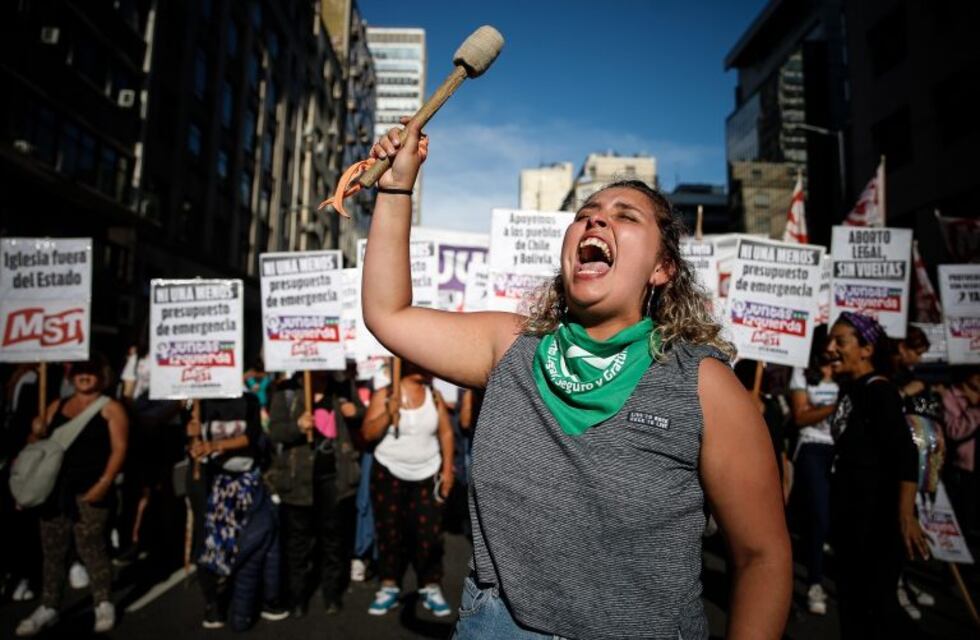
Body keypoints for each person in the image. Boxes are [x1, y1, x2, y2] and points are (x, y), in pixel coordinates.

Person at [355, 119, 791, 639]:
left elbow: (761, 557)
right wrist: (397, 186)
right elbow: (388, 314)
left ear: (662, 269)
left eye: (624, 216)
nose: (594, 223)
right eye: (584, 216)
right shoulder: (510, 348)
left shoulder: (705, 386)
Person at [824, 312, 927, 639]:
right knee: (852, 606)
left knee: (876, 609)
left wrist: (905, 515)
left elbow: (905, 454)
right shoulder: (851, 389)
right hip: (850, 517)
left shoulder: (878, 392)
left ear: (866, 349)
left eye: (840, 341)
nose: (830, 348)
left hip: (875, 523)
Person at [15, 355, 129, 636]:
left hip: (90, 491)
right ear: (71, 376)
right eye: (80, 371)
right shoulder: (57, 405)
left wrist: (104, 483)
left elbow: (119, 449)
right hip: (55, 492)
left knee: (92, 548)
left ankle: (103, 602)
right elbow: (37, 448)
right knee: (53, 552)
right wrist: (36, 432)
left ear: (101, 376)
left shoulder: (111, 408)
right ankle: (49, 605)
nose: (85, 376)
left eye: (91, 372)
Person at [360, 359, 455, 617]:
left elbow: (446, 433)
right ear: (410, 366)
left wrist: (447, 470)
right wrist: (386, 414)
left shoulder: (433, 396)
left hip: (427, 473)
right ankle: (389, 585)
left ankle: (430, 585)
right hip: (389, 472)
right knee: (389, 532)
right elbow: (367, 433)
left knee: (429, 535)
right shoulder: (385, 394)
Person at [267, 370, 363, 617]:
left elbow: (360, 415)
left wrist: (355, 412)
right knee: (298, 542)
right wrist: (297, 426)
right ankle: (298, 597)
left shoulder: (342, 387)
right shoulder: (286, 390)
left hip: (335, 479)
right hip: (297, 479)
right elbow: (274, 432)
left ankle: (332, 593)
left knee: (333, 539)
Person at [185, 394, 286, 631]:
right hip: (211, 481)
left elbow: (252, 436)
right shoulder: (199, 402)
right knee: (210, 542)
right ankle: (214, 603)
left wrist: (215, 445)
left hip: (246, 482)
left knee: (248, 543)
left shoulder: (249, 400)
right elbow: (191, 447)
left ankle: (247, 602)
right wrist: (193, 434)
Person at [788, 336, 837, 616]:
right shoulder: (803, 371)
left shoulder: (847, 370)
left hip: (841, 451)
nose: (833, 350)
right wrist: (836, 406)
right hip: (812, 449)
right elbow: (800, 417)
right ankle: (815, 582)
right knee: (819, 516)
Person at [940, 369, 980, 539]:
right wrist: (976, 410)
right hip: (965, 467)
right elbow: (954, 431)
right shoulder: (951, 396)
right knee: (964, 516)